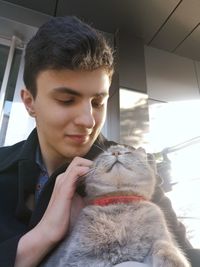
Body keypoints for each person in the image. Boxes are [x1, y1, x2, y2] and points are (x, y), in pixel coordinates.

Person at [0, 16, 199, 267]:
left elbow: (186, 255)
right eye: (66, 100)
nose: (88, 120)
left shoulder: (133, 170)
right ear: (29, 102)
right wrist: (43, 236)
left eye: (97, 102)